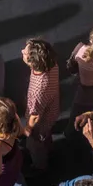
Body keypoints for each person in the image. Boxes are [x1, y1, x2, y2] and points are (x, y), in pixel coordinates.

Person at [21, 39, 60, 171]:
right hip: (52, 109)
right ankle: (49, 148)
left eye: (25, 53)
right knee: (46, 135)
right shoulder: (52, 64)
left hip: (40, 122)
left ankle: (39, 166)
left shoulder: (37, 90)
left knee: (34, 145)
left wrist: (27, 129)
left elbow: (35, 115)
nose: (22, 52)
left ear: (33, 62)